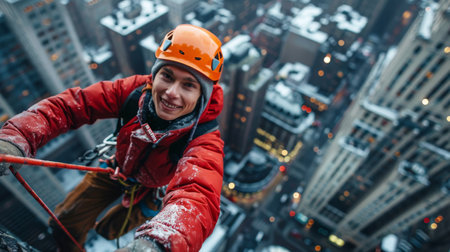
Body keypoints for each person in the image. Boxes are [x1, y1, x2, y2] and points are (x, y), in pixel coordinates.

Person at [0, 24, 225, 252]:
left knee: (109, 230)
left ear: (202, 96)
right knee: (64, 223)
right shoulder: (135, 92)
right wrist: (16, 137)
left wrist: (157, 245)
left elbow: (199, 195)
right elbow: (71, 106)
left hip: (150, 190)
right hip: (117, 170)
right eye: (167, 76)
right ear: (155, 75)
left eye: (188, 85)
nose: (171, 93)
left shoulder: (204, 139)